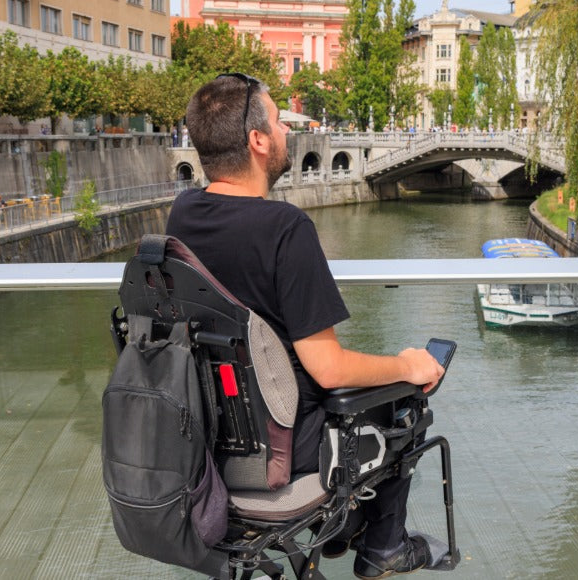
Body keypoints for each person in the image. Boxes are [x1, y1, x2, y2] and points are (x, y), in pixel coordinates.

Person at [164, 74, 444, 579]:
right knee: (407, 399)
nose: (288, 131)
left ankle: (345, 530)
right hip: (284, 449)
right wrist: (406, 364)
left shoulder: (182, 215)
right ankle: (382, 546)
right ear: (257, 140)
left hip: (207, 437)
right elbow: (330, 369)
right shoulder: (286, 230)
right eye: (278, 121)